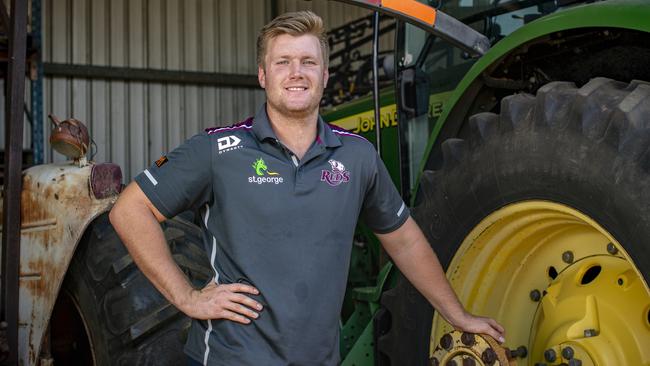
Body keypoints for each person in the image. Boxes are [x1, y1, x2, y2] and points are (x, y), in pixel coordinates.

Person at [109, 10, 505, 366]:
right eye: (283, 62)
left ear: (325, 75)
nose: (296, 72)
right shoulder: (218, 150)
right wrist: (188, 297)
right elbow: (130, 210)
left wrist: (456, 314)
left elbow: (404, 240)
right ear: (263, 75)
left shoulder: (357, 156)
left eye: (308, 62)